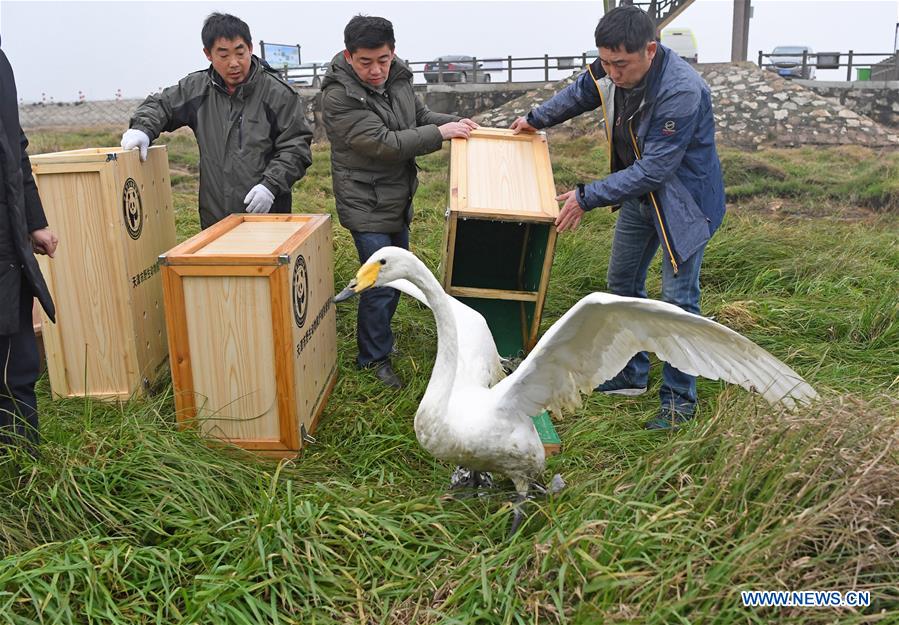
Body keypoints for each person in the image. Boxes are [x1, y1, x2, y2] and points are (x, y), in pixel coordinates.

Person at [511, 5, 726, 430]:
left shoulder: (682, 90)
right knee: (622, 285)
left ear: (651, 50)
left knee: (678, 303)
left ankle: (678, 403)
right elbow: (582, 91)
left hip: (683, 205)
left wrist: (585, 197)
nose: (612, 73)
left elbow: (656, 169)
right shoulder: (613, 67)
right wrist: (534, 120)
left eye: (620, 64)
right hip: (639, 198)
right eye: (605, 62)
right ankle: (632, 373)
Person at [321, 15, 478, 389]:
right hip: (365, 203)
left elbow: (418, 116)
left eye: (383, 60)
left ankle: (379, 341)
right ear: (349, 56)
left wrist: (458, 123)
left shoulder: (398, 77)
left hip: (396, 198)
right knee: (379, 284)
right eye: (366, 62)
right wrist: (440, 133)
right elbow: (384, 143)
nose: (376, 70)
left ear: (393, 52)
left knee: (397, 278)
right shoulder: (339, 97)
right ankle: (372, 360)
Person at [121, 13, 313, 230]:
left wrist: (270, 185)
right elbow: (161, 105)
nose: (234, 63)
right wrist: (142, 129)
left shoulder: (277, 93)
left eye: (240, 53)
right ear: (208, 54)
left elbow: (296, 146)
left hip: (266, 214)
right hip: (215, 218)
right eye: (223, 55)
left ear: (250, 48)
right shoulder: (197, 89)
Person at [1, 41, 58, 455]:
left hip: (6, 242)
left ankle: (23, 465)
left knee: (16, 366)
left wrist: (34, 221)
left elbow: (14, 145)